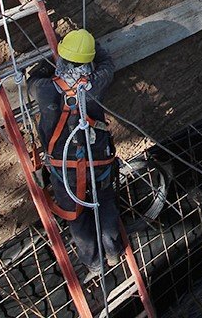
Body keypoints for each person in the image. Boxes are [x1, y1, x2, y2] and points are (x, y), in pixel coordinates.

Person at [29, 29, 124, 278]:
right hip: (99, 163)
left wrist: (52, 62)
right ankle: (113, 252)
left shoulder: (45, 90)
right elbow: (107, 64)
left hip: (65, 172)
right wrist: (94, 46)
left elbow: (33, 78)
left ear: (62, 57)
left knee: (77, 216)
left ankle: (94, 264)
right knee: (105, 206)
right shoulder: (96, 84)